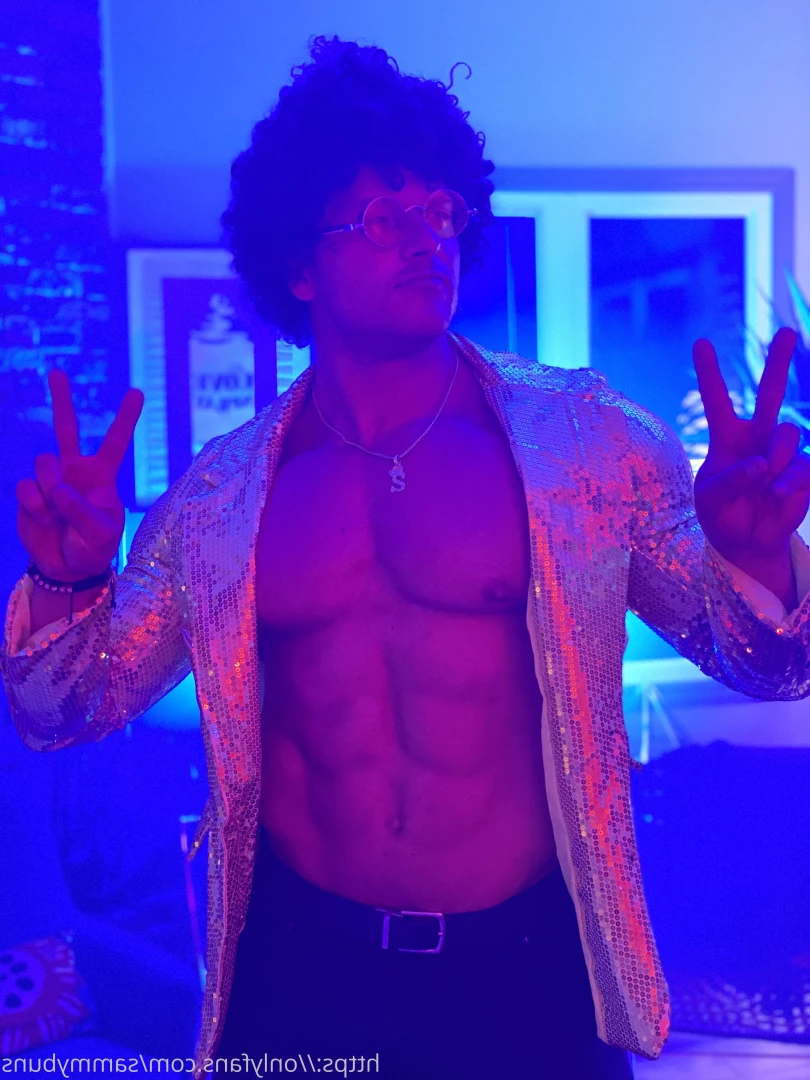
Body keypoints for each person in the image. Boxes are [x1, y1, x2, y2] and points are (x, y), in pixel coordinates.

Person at [3, 35, 810, 1080]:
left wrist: (757, 556)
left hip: (529, 973)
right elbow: (63, 713)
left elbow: (774, 666)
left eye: (440, 211)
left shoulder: (589, 446)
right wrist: (68, 580)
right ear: (299, 263)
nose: (427, 237)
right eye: (382, 218)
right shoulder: (217, 504)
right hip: (300, 971)